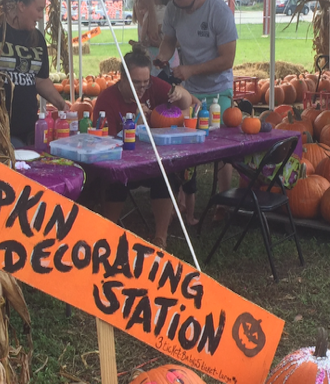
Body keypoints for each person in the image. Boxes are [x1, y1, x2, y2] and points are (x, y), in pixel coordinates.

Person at [92, 44, 198, 249]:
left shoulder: (153, 87)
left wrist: (179, 92)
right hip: (122, 160)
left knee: (164, 174)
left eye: (145, 82)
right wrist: (134, 125)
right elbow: (106, 142)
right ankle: (108, 233)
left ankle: (160, 238)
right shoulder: (107, 100)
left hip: (150, 159)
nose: (142, 88)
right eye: (136, 83)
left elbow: (190, 103)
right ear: (122, 78)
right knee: (116, 180)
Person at [157, 0, 238, 220]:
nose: (177, 6)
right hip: (189, 88)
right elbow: (169, 40)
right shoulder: (174, 8)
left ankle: (224, 201)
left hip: (218, 89)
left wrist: (191, 70)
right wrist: (162, 57)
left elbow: (227, 59)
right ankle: (182, 199)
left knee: (221, 147)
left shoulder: (219, 11)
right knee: (183, 140)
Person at [0, 0, 67, 147]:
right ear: (21, 5)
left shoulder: (37, 39)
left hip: (29, 130)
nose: (41, 15)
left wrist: (62, 104)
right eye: (39, 10)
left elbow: (40, 80)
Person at [131, 0, 179, 76]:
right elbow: (143, 39)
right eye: (138, 8)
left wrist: (149, 14)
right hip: (149, 63)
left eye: (143, 8)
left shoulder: (162, 12)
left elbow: (154, 35)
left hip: (165, 62)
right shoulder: (142, 19)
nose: (140, 12)